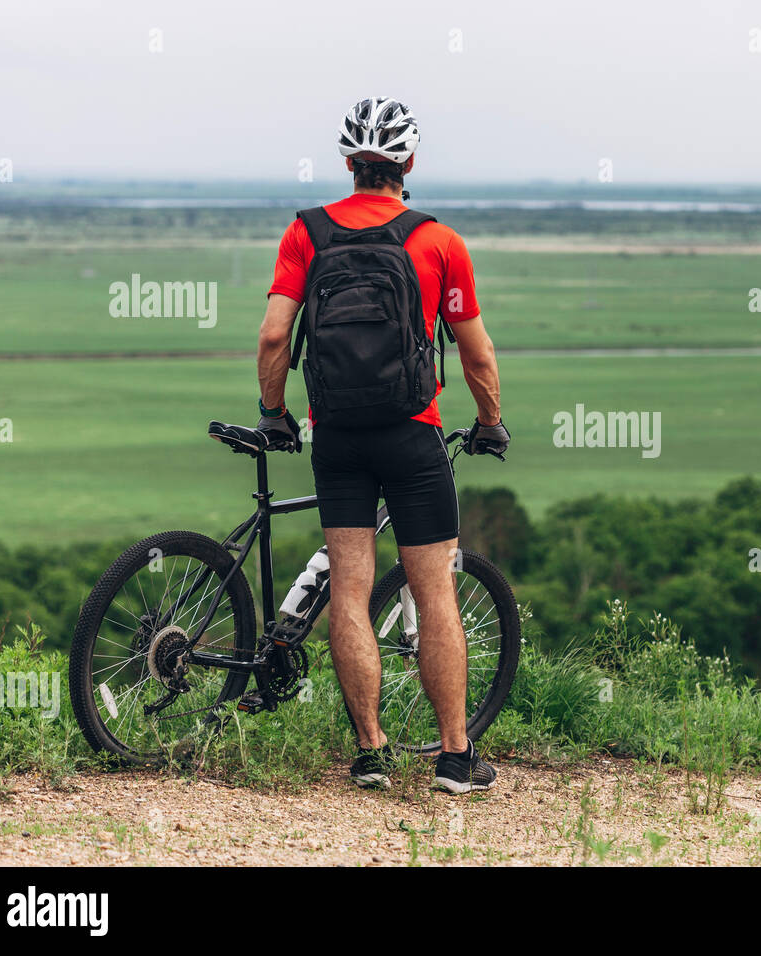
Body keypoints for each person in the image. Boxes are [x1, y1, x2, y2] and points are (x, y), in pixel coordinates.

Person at [253, 97, 511, 792]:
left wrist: (274, 412)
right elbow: (477, 355)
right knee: (435, 596)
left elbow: (276, 336)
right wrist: (489, 422)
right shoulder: (439, 242)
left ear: (348, 163)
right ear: (409, 163)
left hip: (335, 435)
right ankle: (455, 758)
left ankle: (371, 752)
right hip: (412, 435)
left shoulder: (306, 234)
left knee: (350, 593)